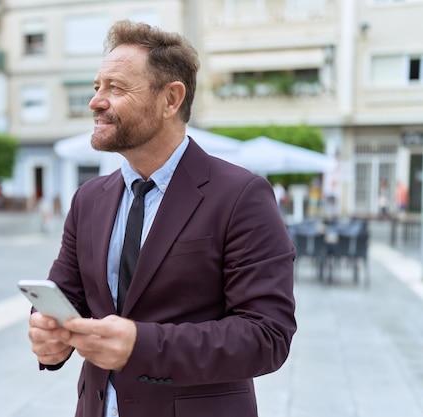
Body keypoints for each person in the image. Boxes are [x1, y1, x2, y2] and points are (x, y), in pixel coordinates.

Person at [27, 20, 296, 417]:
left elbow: (266, 336)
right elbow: (67, 296)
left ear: (171, 100)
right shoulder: (88, 199)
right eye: (97, 87)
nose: (96, 102)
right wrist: (47, 332)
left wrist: (142, 344)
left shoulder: (241, 195)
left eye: (116, 88)